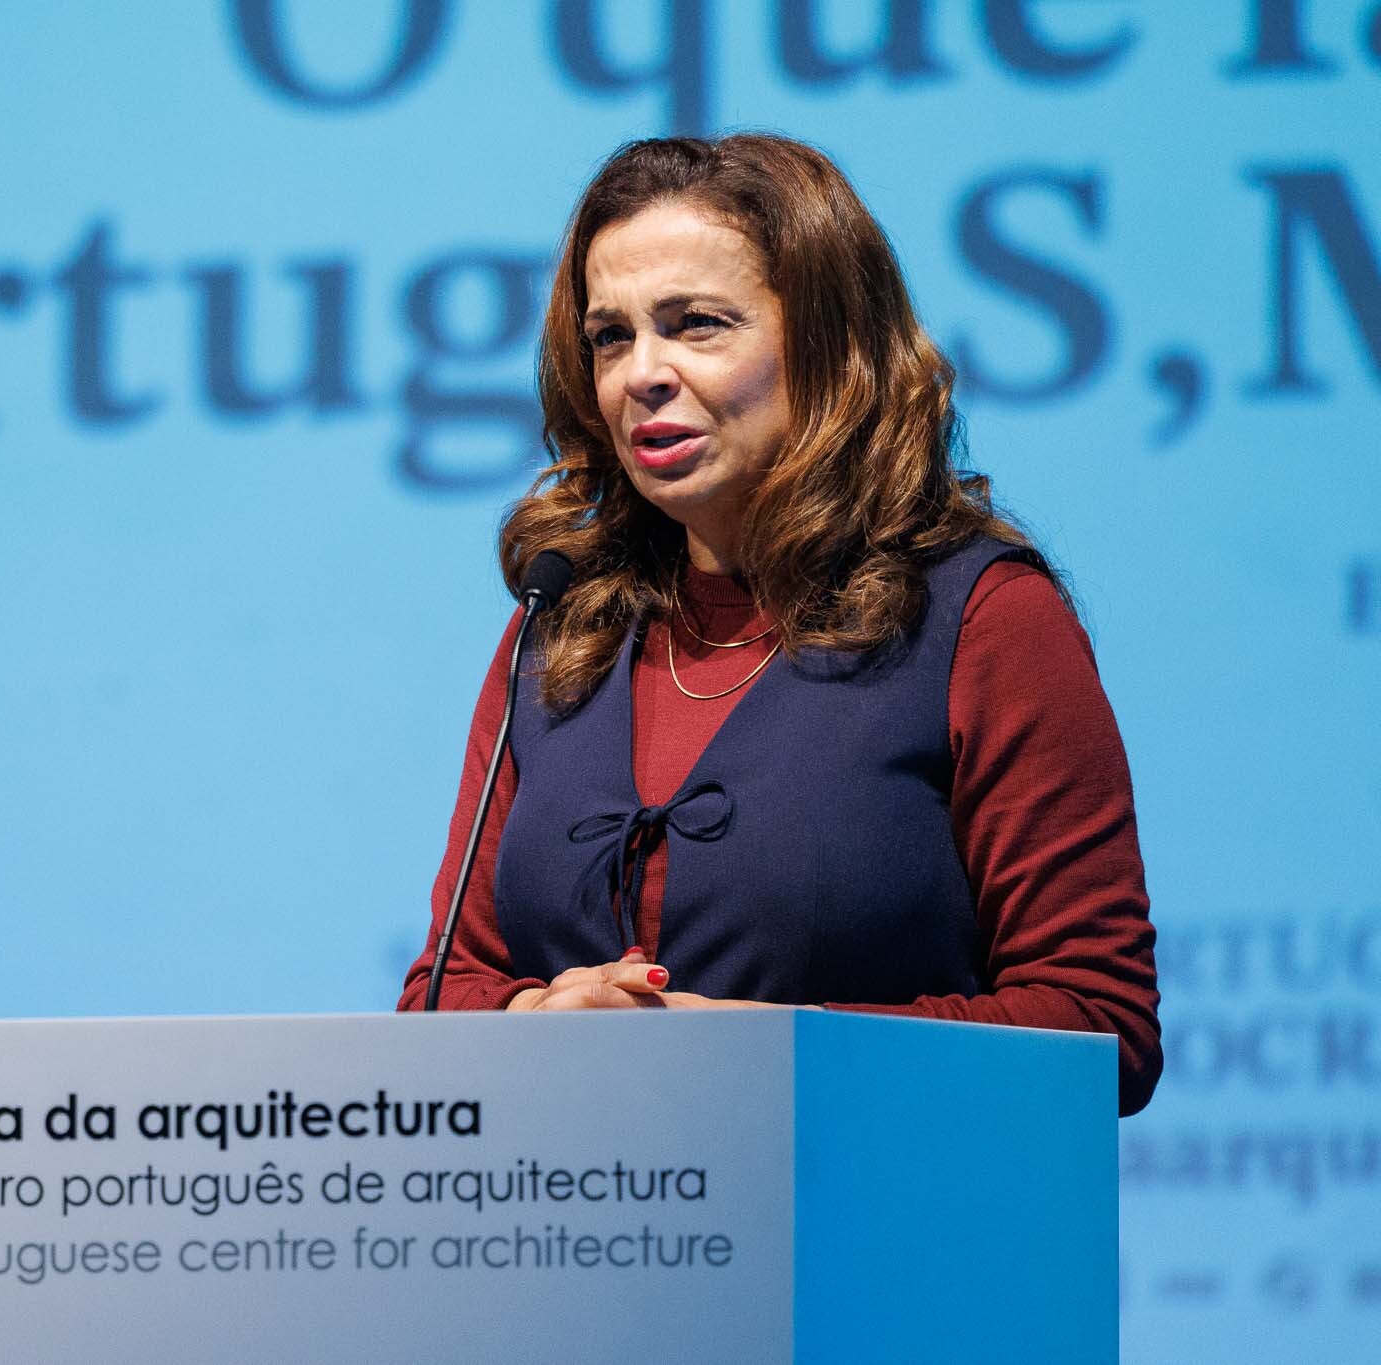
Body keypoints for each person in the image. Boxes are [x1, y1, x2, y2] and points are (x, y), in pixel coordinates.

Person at [396, 134, 1161, 1118]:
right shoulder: (561, 631)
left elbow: (1099, 1027)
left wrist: (773, 1054)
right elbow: (442, 991)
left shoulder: (983, 620)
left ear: (830, 344)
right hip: (582, 1209)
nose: (642, 373)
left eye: (697, 325)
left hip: (873, 1203)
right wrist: (536, 1016)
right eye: (611, 336)